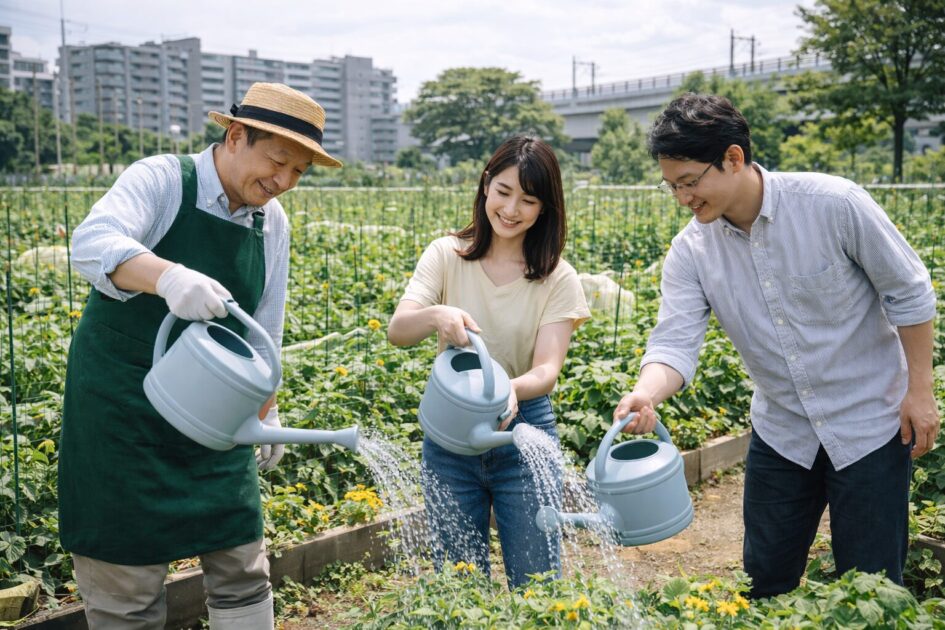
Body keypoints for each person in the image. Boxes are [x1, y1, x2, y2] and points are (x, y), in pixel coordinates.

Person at [614, 93, 939, 599]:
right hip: (782, 430)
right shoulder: (691, 251)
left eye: (689, 182)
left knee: (872, 588)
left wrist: (921, 390)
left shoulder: (834, 204)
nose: (682, 198)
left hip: (870, 423)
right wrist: (646, 393)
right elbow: (675, 341)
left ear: (734, 158)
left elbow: (910, 292)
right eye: (671, 186)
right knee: (763, 581)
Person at [59, 82, 342, 629]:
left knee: (242, 568)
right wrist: (167, 277)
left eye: (298, 173)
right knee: (127, 587)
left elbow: (265, 325)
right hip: (123, 414)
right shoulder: (163, 179)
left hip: (216, 414)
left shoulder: (270, 221)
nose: (283, 182)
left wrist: (266, 410)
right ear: (236, 135)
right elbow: (92, 242)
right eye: (277, 161)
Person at [387, 135, 590, 588]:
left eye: (528, 199)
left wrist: (507, 391)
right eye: (503, 191)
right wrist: (436, 315)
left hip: (524, 432)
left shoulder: (557, 277)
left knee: (538, 583)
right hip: (451, 435)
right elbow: (398, 330)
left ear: (545, 209)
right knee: (457, 583)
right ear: (485, 186)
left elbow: (546, 372)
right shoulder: (446, 255)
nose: (512, 209)